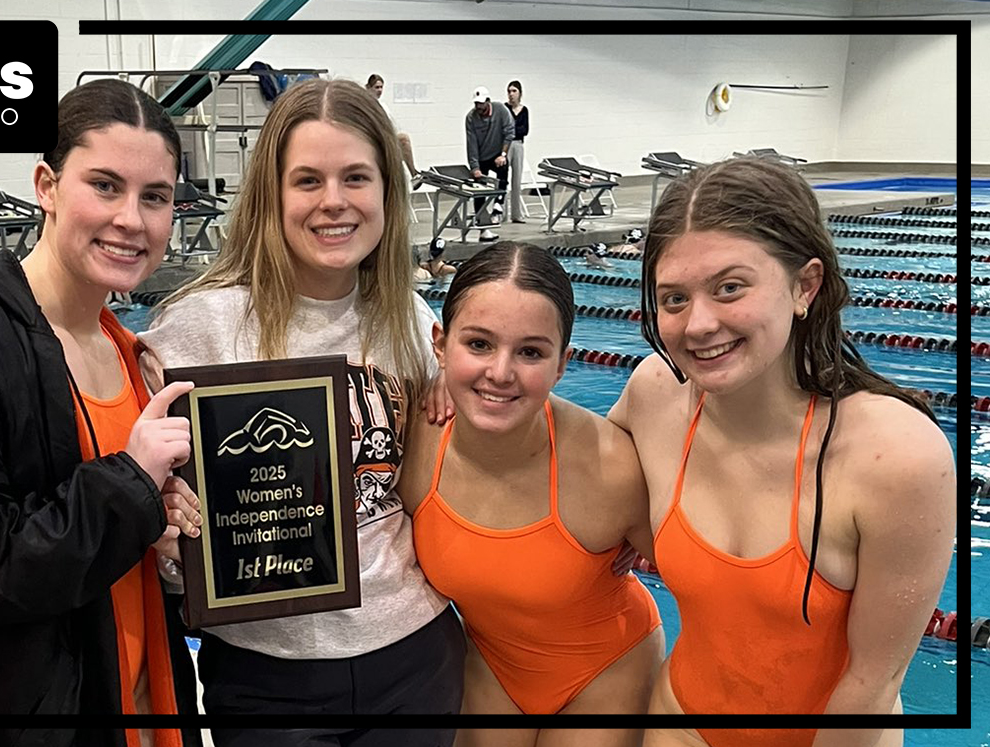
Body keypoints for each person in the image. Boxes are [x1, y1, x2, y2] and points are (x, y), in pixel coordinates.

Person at [141, 78, 463, 747]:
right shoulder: (198, 327)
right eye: (308, 180)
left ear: (387, 191)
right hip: (265, 673)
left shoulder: (409, 317)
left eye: (356, 177)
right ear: (272, 193)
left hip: (414, 653)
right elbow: (146, 498)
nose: (333, 201)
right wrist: (165, 535)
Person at [0, 78, 202, 747]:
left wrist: (162, 531)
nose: (131, 219)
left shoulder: (125, 347)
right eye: (105, 186)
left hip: (140, 697)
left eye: (155, 196)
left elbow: (109, 533)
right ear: (46, 186)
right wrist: (130, 487)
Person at [607, 157, 954, 747]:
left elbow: (872, 682)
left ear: (804, 286)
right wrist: (455, 393)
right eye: (674, 299)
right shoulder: (656, 395)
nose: (698, 324)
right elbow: (566, 464)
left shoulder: (896, 456)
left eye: (730, 288)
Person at [400, 242, 662, 747]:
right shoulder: (412, 447)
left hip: (607, 669)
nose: (500, 373)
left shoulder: (609, 468)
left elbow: (715, 595)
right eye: (478, 344)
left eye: (530, 352)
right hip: (492, 666)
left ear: (563, 364)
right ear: (440, 344)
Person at [465, 85, 516, 242]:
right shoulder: (471, 117)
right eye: (476, 104)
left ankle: (498, 204)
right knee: (479, 190)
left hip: (496, 154)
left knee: (503, 168)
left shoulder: (500, 110)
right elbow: (471, 144)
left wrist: (503, 154)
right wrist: (475, 167)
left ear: (488, 101)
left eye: (481, 103)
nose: (478, 107)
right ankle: (483, 229)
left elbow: (509, 133)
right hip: (481, 156)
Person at [365, 73, 421, 187]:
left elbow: (392, 125)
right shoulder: (366, 105)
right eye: (376, 87)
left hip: (386, 139)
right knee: (404, 139)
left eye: (381, 87)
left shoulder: (383, 106)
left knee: (404, 140)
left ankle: (413, 174)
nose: (380, 90)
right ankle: (414, 173)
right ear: (369, 88)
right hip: (375, 141)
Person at [503, 80, 530, 224]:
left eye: (514, 91)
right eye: (509, 91)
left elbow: (524, 130)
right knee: (503, 179)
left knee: (517, 180)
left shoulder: (524, 110)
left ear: (520, 93)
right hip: (506, 144)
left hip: (518, 144)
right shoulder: (504, 109)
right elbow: (504, 128)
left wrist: (512, 129)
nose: (511, 94)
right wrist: (513, 130)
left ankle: (516, 214)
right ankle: (501, 213)